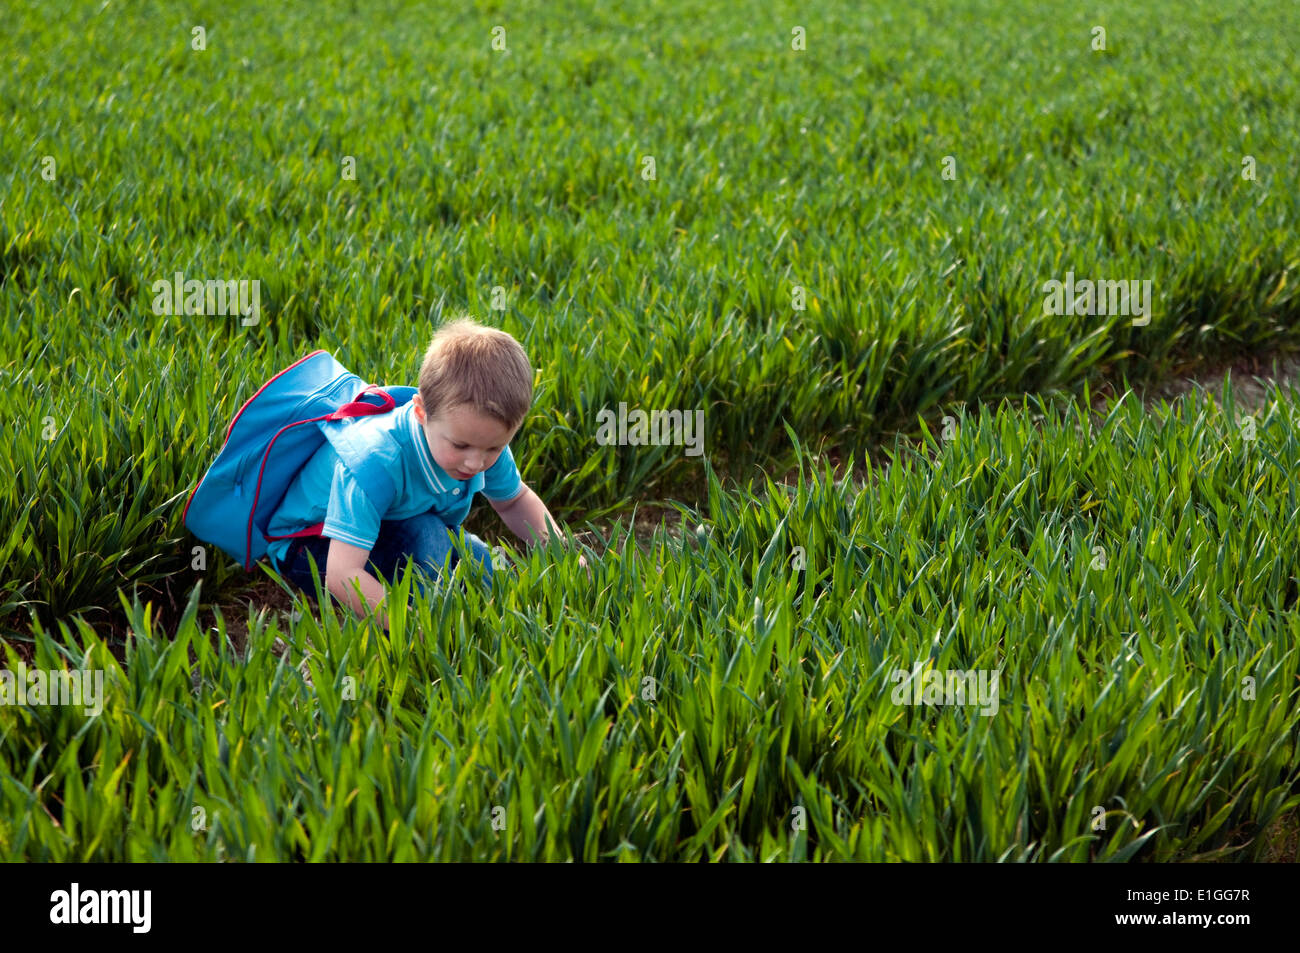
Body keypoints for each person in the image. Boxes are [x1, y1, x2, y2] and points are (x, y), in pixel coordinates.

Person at [265, 317, 584, 626]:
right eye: (460, 446)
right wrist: (412, 630)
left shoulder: (478, 438)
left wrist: (563, 552)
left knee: (483, 568)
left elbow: (514, 501)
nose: (475, 463)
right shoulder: (375, 463)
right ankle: (418, 618)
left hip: (391, 521)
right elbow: (342, 574)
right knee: (430, 541)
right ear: (421, 413)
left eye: (493, 449)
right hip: (310, 546)